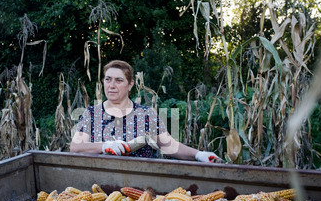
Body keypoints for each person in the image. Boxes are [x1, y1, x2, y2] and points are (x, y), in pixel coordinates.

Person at [70, 60, 221, 163]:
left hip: (140, 183)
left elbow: (170, 146)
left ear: (130, 85)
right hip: (100, 183)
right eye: (108, 79)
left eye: (119, 80)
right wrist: (103, 146)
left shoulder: (146, 115)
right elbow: (76, 148)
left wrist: (198, 155)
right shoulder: (91, 114)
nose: (111, 85)